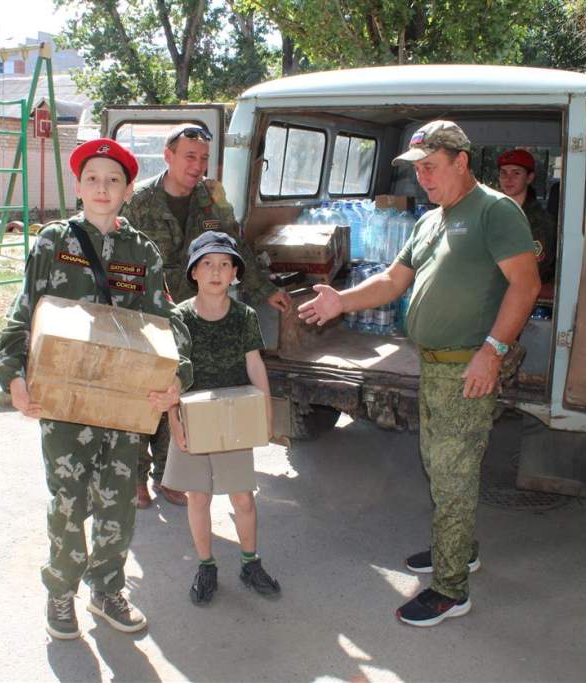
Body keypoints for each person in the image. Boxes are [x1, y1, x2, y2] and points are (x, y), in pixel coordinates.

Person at [297, 120, 540, 627]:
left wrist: (493, 352)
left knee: (452, 478)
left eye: (431, 167)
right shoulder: (431, 220)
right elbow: (392, 280)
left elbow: (526, 285)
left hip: (467, 367)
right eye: (418, 170)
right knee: (439, 466)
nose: (423, 178)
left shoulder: (495, 211)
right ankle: (459, 550)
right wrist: (341, 301)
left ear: (461, 162)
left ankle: (451, 590)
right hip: (432, 366)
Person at [0, 138, 193, 640]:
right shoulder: (53, 242)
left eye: (113, 180)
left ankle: (106, 590)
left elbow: (166, 319)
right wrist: (12, 376)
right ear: (79, 187)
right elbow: (23, 311)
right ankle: (61, 591)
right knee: (67, 501)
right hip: (63, 400)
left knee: (117, 501)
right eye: (92, 179)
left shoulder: (141, 251)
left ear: (127, 189)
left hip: (124, 402)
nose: (102, 189)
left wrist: (178, 376)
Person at [121, 122, 291, 509]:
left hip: (192, 316)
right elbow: (119, 256)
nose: (197, 166)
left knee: (180, 394)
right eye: (189, 156)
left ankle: (167, 476)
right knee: (144, 395)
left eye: (203, 158)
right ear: (168, 156)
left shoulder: (211, 200)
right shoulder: (138, 201)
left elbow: (235, 246)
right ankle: (135, 477)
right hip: (146, 315)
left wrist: (265, 290)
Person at [161, 231, 282, 605]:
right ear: (194, 272)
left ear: (235, 274)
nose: (216, 271)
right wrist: (174, 422)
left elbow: (254, 364)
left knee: (242, 498)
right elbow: (170, 375)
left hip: (234, 420)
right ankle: (206, 566)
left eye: (225, 264)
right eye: (207, 264)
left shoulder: (244, 316)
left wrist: (266, 414)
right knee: (198, 498)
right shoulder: (180, 317)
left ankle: (250, 563)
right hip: (192, 420)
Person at [497, 148, 558, 284]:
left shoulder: (541, 221)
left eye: (516, 173)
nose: (508, 179)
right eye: (503, 173)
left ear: (529, 178)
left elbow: (533, 271)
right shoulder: (491, 214)